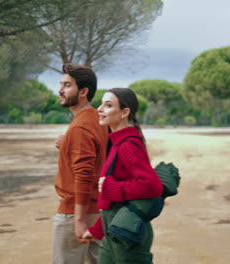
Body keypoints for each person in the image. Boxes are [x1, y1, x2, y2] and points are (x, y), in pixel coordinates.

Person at [83, 88, 163, 264]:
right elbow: (113, 203)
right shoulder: (117, 142)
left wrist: (111, 188)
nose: (100, 109)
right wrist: (97, 229)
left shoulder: (128, 145)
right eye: (101, 103)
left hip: (127, 231)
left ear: (124, 112)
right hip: (115, 228)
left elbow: (152, 186)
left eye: (108, 105)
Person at [52, 63, 109, 264]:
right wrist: (67, 145)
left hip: (74, 212)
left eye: (67, 85)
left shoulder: (79, 127)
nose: (60, 90)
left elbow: (83, 174)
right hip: (98, 210)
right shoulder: (98, 119)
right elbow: (97, 159)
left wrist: (78, 220)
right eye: (61, 84)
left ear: (83, 91)